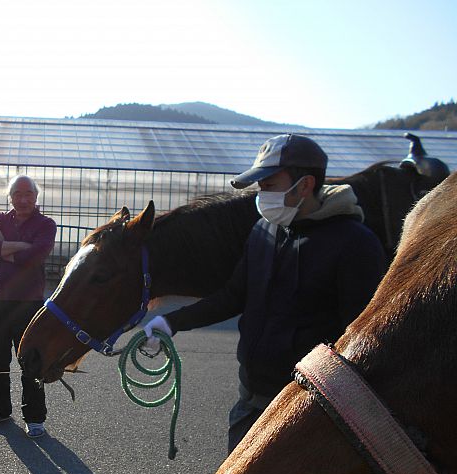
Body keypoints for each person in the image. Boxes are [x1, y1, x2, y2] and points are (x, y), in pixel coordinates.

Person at [142, 134, 387, 453]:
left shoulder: (355, 244)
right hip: (251, 404)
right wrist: (171, 323)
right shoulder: (263, 231)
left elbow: (362, 337)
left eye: (269, 185)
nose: (261, 195)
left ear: (305, 185)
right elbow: (234, 295)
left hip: (311, 413)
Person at [0, 174, 57, 437]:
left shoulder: (46, 224)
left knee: (32, 361)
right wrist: (20, 247)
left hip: (30, 303)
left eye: (28, 194)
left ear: (36, 196)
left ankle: (34, 417)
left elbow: (37, 255)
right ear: (10, 197)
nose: (23, 199)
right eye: (17, 194)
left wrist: (4, 248)